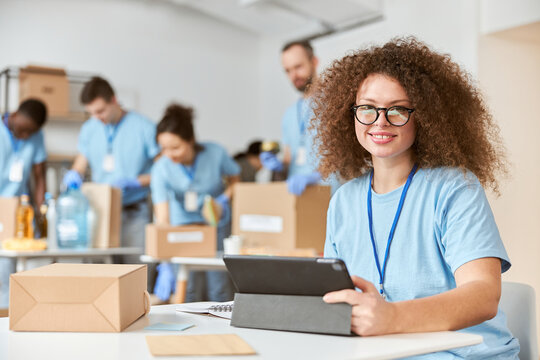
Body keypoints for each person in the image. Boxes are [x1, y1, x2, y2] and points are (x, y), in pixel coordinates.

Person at [315, 37, 519, 358]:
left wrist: (392, 316)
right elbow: (337, 295)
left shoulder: (454, 188)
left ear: (423, 117)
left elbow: (484, 296)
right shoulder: (343, 200)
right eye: (367, 108)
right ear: (350, 113)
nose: (380, 121)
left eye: (397, 110)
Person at [62, 77, 160, 265]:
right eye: (92, 113)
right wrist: (74, 174)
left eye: (101, 111)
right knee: (100, 271)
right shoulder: (90, 129)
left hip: (134, 211)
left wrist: (137, 182)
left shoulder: (144, 127)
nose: (98, 117)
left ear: (114, 101)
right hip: (100, 211)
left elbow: (164, 171)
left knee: (136, 271)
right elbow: (80, 163)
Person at [151, 103, 240, 302]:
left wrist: (224, 199)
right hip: (182, 228)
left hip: (215, 224)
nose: (169, 154)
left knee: (218, 286)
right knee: (187, 287)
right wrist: (165, 261)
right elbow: (163, 217)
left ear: (190, 140)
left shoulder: (215, 153)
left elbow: (235, 178)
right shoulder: (161, 169)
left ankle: (222, 331)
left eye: (175, 147)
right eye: (164, 148)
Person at [259, 40, 324, 195]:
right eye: (287, 71)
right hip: (298, 197)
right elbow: (289, 160)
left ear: (314, 62)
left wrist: (316, 176)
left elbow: (348, 158)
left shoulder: (337, 103)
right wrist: (278, 166)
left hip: (329, 196)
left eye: (298, 67)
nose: (293, 75)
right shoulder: (289, 114)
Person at [0, 98, 47, 307]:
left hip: (20, 209)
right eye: (24, 129)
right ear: (15, 114)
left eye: (32, 132)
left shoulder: (36, 136)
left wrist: (41, 211)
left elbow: (40, 176)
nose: (27, 135)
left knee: (20, 270)